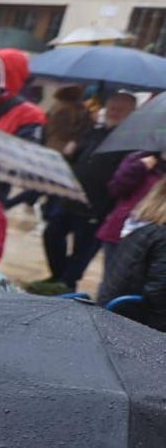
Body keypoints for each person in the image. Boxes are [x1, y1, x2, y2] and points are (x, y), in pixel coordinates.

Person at [45, 91, 135, 287]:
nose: (115, 112)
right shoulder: (95, 130)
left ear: (131, 113)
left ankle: (67, 282)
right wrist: (72, 149)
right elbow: (78, 157)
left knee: (83, 250)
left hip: (98, 206)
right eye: (112, 108)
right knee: (52, 233)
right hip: (72, 196)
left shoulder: (130, 142)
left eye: (121, 110)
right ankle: (58, 276)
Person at [100, 179, 166, 329]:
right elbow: (159, 292)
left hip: (113, 311)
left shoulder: (141, 226)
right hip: (132, 323)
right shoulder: (162, 236)